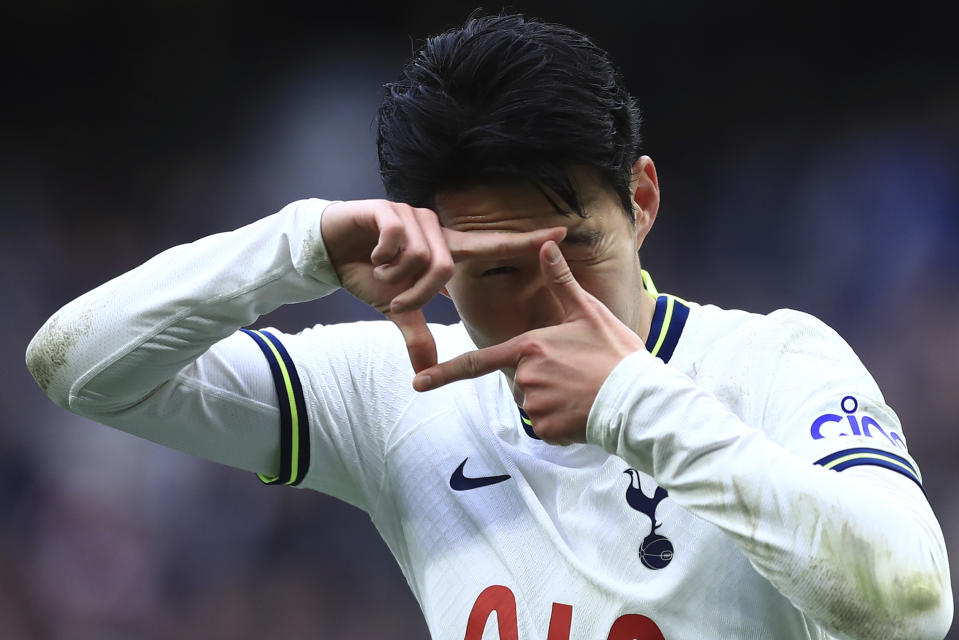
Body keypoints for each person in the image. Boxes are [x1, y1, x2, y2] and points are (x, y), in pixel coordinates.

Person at [26, 12, 952, 640]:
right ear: (430, 246)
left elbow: (909, 604)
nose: (547, 305)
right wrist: (296, 245)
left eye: (576, 250)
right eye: (494, 271)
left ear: (642, 200)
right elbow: (80, 364)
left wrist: (631, 401)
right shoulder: (397, 390)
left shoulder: (773, 364)